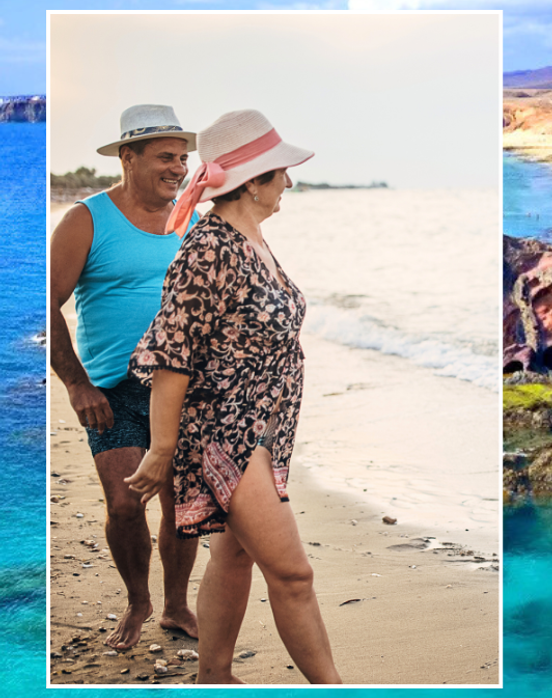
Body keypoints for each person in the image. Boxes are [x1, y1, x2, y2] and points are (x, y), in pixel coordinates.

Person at [123, 109, 340, 684]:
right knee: (293, 575)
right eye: (280, 173)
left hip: (258, 432)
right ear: (253, 180)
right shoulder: (209, 250)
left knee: (234, 555)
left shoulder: (252, 239)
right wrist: (161, 448)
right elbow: (174, 355)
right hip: (223, 436)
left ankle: (212, 676)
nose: (288, 182)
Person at [49, 104, 200, 650]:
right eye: (166, 157)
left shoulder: (193, 220)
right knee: (123, 502)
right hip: (112, 387)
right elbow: (44, 303)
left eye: (184, 158)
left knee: (182, 504)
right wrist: (76, 383)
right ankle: (139, 600)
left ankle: (177, 604)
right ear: (128, 158)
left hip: (182, 385)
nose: (178, 168)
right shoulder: (86, 220)